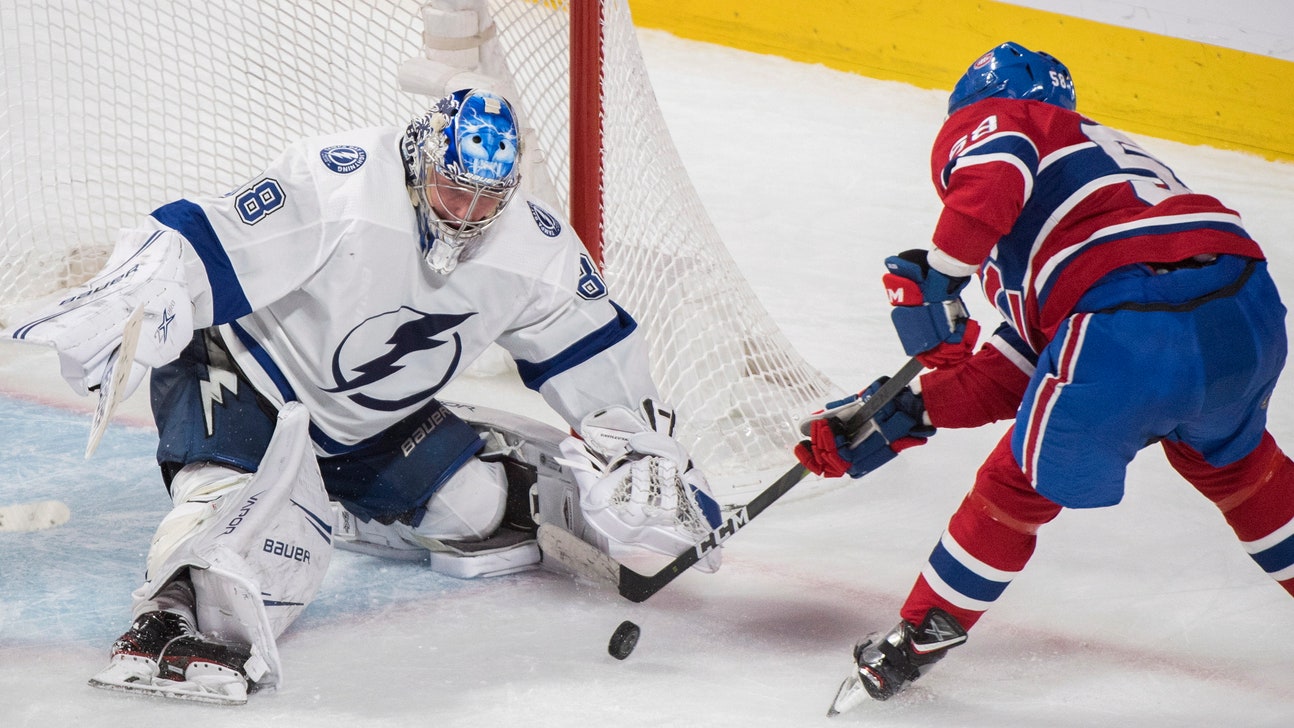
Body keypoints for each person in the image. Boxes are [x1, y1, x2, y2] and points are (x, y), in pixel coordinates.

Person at [6, 88, 722, 704]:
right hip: (246, 371)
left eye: (486, 199)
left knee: (475, 510)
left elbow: (596, 351)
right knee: (232, 531)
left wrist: (643, 456)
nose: (466, 214)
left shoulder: (537, 249)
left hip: (367, 422)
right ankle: (167, 613)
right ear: (419, 160)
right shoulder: (342, 179)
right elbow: (212, 233)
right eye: (453, 190)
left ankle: (360, 498)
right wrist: (143, 283)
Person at [796, 42, 1294, 711]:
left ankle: (917, 640)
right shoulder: (1094, 174)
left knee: (1015, 487)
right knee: (1242, 471)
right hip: (1245, 309)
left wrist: (940, 276)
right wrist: (911, 409)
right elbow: (1033, 362)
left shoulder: (1012, 119)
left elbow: (999, 166)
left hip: (1125, 316)